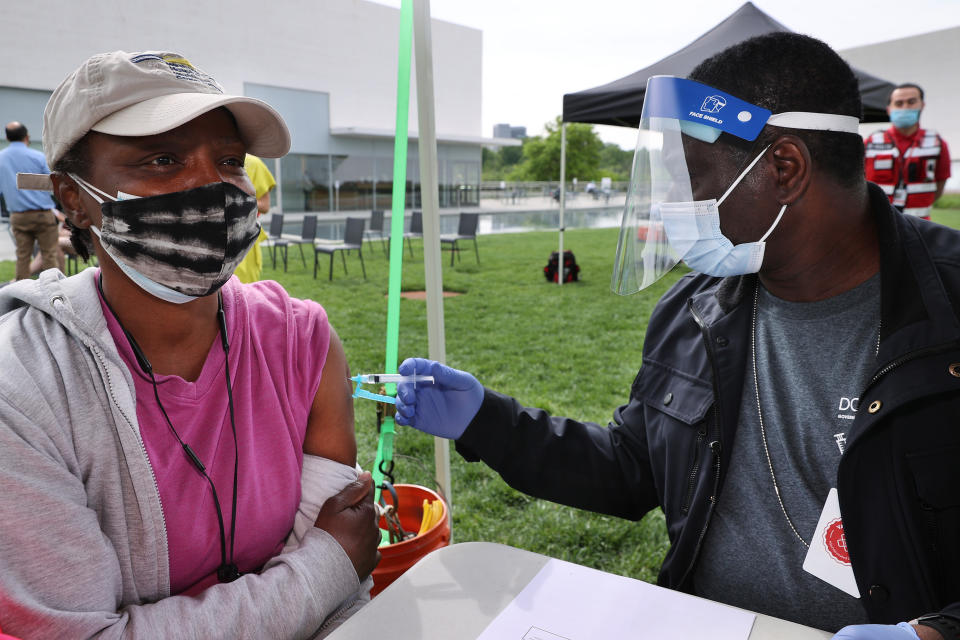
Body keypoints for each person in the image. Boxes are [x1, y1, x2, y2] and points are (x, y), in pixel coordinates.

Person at [394, 34, 960, 640]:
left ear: (785, 169)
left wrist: (934, 633)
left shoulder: (947, 308)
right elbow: (632, 468)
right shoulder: (698, 309)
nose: (678, 205)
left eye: (694, 177)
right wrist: (487, 421)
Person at [0, 51, 380, 639]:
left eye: (229, 160)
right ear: (71, 196)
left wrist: (328, 570)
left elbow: (342, 604)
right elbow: (337, 558)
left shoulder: (301, 340)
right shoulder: (21, 386)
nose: (212, 186)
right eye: (162, 159)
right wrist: (320, 569)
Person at [864, 84, 952, 220]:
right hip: (878, 224)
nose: (905, 107)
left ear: (922, 105)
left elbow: (939, 187)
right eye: (899, 103)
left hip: (920, 226)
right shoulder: (871, 143)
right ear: (889, 109)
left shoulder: (936, 144)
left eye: (911, 102)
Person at [0, 122, 61, 280]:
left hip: (18, 216)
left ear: (6, 137)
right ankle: (54, 293)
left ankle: (21, 295)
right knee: (49, 256)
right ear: (27, 137)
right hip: (42, 215)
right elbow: (53, 185)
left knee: (22, 257)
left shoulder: (1, 159)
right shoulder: (38, 157)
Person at [233, 154, 276, 283]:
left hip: (244, 240)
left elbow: (265, 205)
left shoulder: (254, 163)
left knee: (242, 290)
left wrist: (237, 202)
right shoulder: (206, 157)